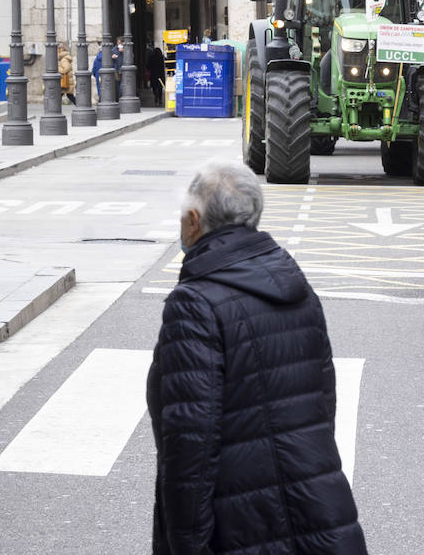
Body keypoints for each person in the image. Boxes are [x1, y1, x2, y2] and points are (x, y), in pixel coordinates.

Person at [147, 162, 367, 554]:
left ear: (193, 220)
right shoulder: (294, 285)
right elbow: (323, 406)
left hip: (240, 526)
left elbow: (190, 447)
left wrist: (184, 545)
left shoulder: (194, 304)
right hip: (319, 512)